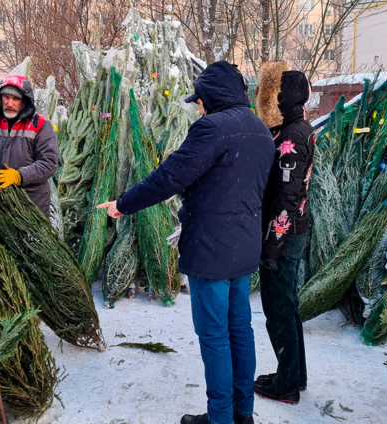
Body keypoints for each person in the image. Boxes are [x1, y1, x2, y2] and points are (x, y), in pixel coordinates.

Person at [97, 61, 275, 424]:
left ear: (212, 97)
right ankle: (243, 413)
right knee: (240, 329)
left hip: (211, 249)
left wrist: (123, 204)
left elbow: (169, 177)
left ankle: (220, 417)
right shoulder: (259, 129)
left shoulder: (212, 128)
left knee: (214, 336)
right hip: (244, 247)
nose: (198, 106)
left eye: (200, 100)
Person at [253, 63, 315, 405]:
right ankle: (294, 374)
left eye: (272, 94)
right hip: (294, 231)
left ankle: (286, 385)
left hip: (285, 234)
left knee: (278, 310)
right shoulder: (297, 127)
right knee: (288, 307)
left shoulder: (292, 136)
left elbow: (288, 198)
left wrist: (273, 246)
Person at [0, 73, 59, 217]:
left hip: (30, 205)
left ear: (24, 101)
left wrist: (18, 176)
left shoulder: (40, 125)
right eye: (6, 98)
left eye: (15, 99)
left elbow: (49, 163)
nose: (9, 103)